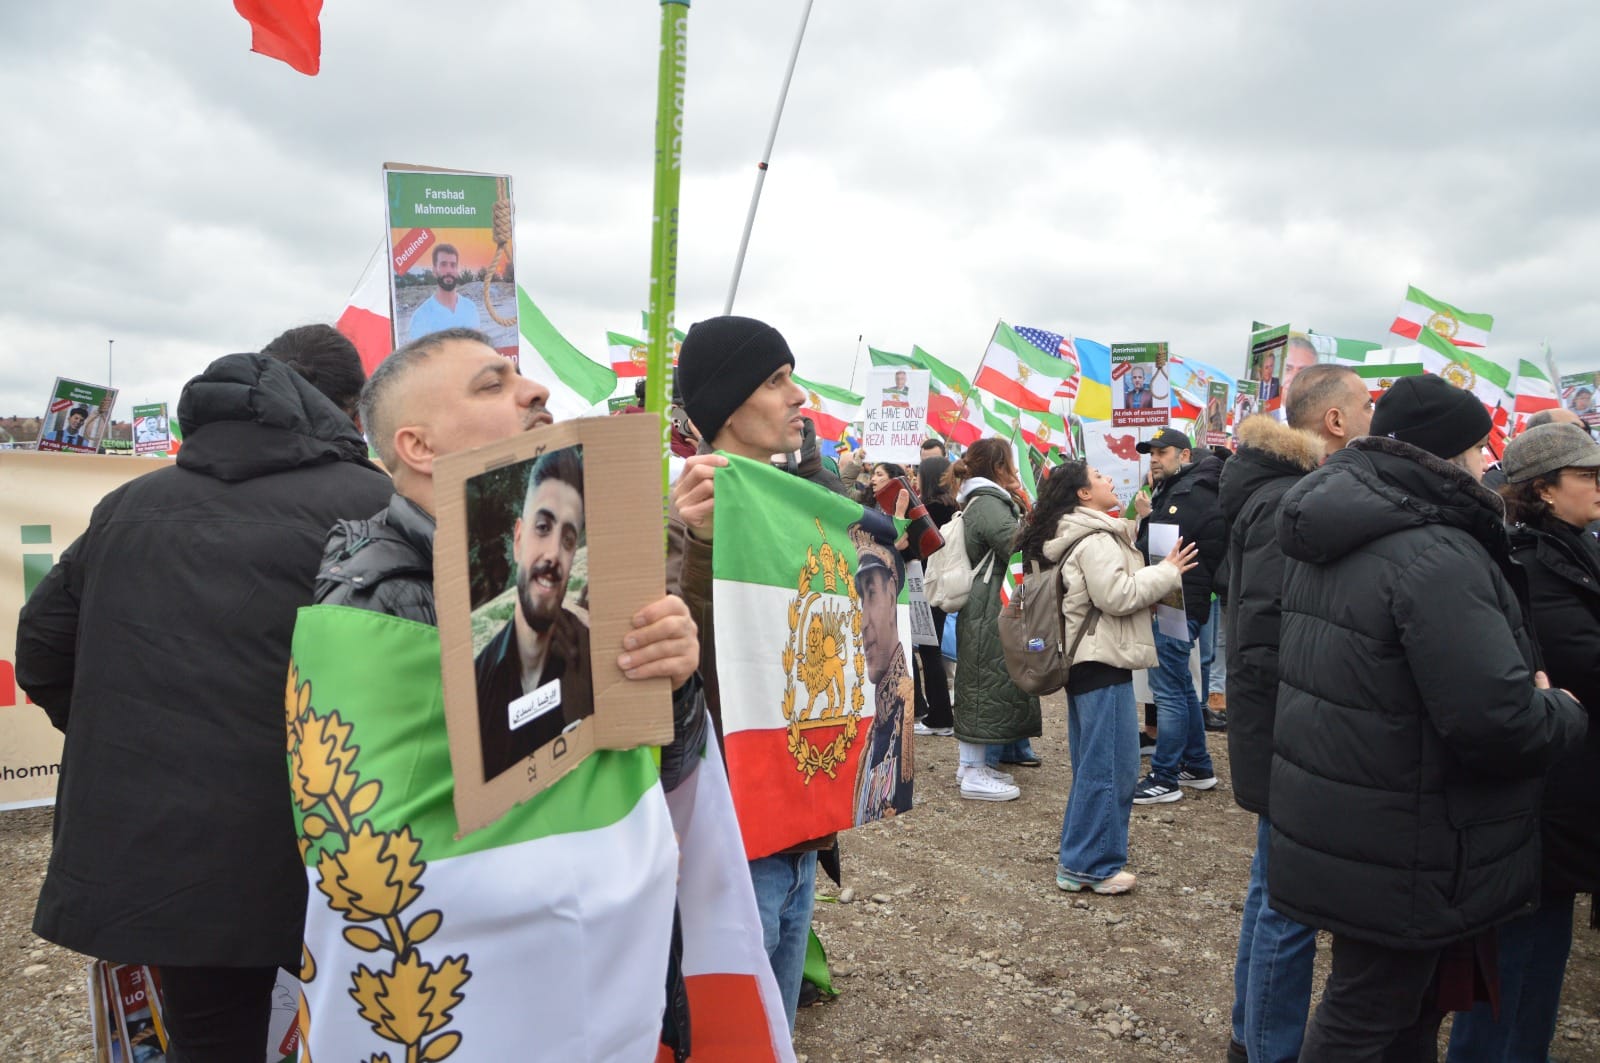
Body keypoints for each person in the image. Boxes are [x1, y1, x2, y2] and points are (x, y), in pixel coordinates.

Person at [314, 326, 713, 1055]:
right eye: (490, 384)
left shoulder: (595, 586)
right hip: (484, 1006)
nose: (533, 390)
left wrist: (678, 683)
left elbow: (674, 769)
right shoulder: (373, 597)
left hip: (607, 971)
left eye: (567, 531)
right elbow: (371, 852)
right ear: (419, 447)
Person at [16, 327, 393, 1060]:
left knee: (211, 1041)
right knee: (370, 1027)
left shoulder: (129, 506)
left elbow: (41, 648)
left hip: (169, 856)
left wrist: (128, 734)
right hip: (339, 836)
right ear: (347, 408)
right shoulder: (374, 501)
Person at [1270, 374, 1586, 1059]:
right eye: (1480, 445)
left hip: (1356, 813)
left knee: (1405, 1008)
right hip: (1408, 830)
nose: (1487, 461)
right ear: (1454, 452)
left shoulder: (1342, 523)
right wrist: (1558, 710)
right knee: (1370, 1010)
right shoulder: (1434, 549)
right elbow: (1498, 718)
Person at [667, 314, 850, 1030]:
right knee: (733, 1028)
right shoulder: (680, 513)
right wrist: (696, 544)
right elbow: (674, 660)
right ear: (729, 404)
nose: (798, 394)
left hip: (801, 820)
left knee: (777, 1027)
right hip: (736, 826)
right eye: (776, 381)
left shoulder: (800, 503)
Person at [1218, 364, 1372, 1063]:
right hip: (1287, 728)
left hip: (1278, 725)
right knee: (1288, 900)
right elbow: (1268, 638)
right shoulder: (1293, 501)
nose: (1374, 417)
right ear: (1334, 421)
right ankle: (1269, 1049)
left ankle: (1251, 1036)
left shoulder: (1280, 491)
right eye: (1366, 405)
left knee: (1270, 888)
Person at [1445, 423, 1600, 1061]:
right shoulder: (1532, 562)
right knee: (1518, 959)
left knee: (1541, 960)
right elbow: (1583, 661)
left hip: (1565, 788)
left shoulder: (1575, 546)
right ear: (1543, 489)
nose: (1598, 486)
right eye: (1587, 476)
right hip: (1543, 794)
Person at [1014, 460, 1196, 894]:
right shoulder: (1095, 539)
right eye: (1099, 477)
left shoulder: (1087, 532)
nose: (1110, 479)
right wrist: (1167, 572)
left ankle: (1080, 859)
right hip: (1100, 662)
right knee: (1111, 768)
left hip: (1090, 661)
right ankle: (1090, 866)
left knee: (1099, 766)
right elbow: (1116, 596)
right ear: (1083, 494)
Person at [473, 447, 593, 780]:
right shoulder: (475, 685)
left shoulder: (596, 660)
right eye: (543, 527)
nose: (554, 554)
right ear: (517, 539)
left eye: (568, 539)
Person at [1130, 428, 1226, 804]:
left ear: (1184, 456)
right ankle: (1198, 766)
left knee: (1168, 690)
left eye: (1162, 452)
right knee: (1180, 685)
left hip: (1177, 599)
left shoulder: (1188, 494)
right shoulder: (1181, 488)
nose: (1154, 458)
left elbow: (1154, 547)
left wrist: (1146, 516)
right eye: (1151, 452)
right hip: (1179, 599)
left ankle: (1165, 776)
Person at [941, 437, 1038, 801]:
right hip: (988, 604)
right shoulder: (989, 503)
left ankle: (972, 765)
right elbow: (1014, 543)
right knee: (982, 682)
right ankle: (973, 771)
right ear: (999, 467)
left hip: (985, 602)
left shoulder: (980, 499)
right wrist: (1031, 511)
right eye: (1011, 464)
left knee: (981, 679)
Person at [849, 515, 913, 824]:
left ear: (891, 592)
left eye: (871, 593)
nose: (862, 623)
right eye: (861, 598)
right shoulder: (879, 717)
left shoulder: (903, 706)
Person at [912, 453, 956, 737]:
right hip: (945, 585)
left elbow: (914, 547)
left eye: (918, 474)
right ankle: (939, 714)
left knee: (929, 652)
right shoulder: (954, 507)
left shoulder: (927, 511)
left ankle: (939, 717)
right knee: (932, 651)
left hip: (928, 584)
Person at [406, 243, 482, 341]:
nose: (449, 270)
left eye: (453, 265)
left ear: (457, 270)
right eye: (443, 265)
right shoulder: (421, 317)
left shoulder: (471, 308)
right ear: (434, 270)